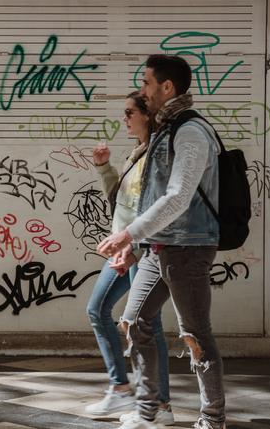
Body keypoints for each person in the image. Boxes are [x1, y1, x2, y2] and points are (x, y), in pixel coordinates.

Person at [98, 55, 226, 429]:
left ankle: (213, 419)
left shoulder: (190, 131)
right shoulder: (166, 129)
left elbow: (178, 196)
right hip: (160, 245)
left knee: (195, 333)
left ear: (167, 87)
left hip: (189, 246)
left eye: (147, 83)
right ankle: (150, 410)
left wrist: (127, 233)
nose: (143, 90)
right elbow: (149, 196)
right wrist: (133, 245)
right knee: (134, 323)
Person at [84, 92, 174, 425]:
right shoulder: (136, 154)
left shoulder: (156, 157)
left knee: (144, 325)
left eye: (129, 113)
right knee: (103, 311)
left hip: (140, 252)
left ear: (146, 116)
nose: (124, 118)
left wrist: (132, 251)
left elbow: (152, 211)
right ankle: (124, 391)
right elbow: (119, 202)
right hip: (126, 251)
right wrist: (104, 167)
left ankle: (158, 405)